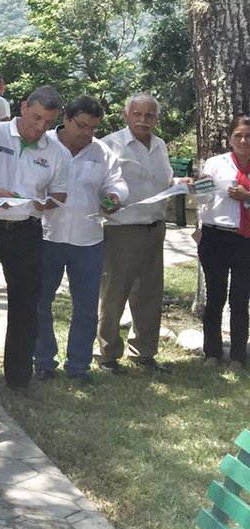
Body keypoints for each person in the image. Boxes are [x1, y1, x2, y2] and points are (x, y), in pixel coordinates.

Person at [0, 85, 68, 389]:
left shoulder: (56, 151)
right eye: (36, 118)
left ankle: (19, 379)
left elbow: (59, 193)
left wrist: (43, 204)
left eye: (48, 122)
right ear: (23, 107)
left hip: (26, 232)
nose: (40, 127)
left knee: (25, 306)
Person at [35, 96, 127, 384]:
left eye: (93, 128)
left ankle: (78, 366)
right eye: (82, 126)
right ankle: (43, 361)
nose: (87, 133)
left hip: (88, 240)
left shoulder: (101, 153)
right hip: (46, 235)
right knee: (40, 302)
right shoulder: (43, 144)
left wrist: (115, 197)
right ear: (66, 119)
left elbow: (116, 182)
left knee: (86, 306)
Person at [97, 94, 187, 374]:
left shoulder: (159, 145)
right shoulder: (110, 144)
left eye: (149, 115)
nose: (143, 120)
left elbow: (163, 180)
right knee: (114, 293)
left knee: (149, 294)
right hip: (122, 230)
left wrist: (180, 183)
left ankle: (144, 353)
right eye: (137, 114)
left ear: (156, 119)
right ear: (126, 115)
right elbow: (100, 184)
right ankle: (106, 354)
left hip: (155, 228)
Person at [193, 115, 250, 370]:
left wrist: (246, 196)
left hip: (245, 239)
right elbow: (202, 199)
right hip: (216, 236)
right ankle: (212, 353)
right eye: (238, 135)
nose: (243, 140)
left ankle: (238, 355)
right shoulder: (216, 163)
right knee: (215, 296)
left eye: (248, 136)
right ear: (230, 138)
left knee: (240, 298)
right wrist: (198, 187)